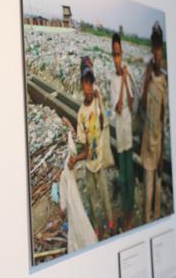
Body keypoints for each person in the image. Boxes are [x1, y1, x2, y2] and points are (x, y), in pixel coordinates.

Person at [68, 56, 114, 238]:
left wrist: (100, 99)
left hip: (100, 163)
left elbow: (104, 122)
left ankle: (110, 223)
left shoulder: (97, 102)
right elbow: (85, 149)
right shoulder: (81, 114)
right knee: (93, 200)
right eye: (86, 83)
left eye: (91, 83)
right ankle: (97, 227)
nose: (89, 87)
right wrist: (76, 159)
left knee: (105, 197)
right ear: (81, 84)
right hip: (89, 165)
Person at [140, 22, 167, 223]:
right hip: (147, 142)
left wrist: (163, 152)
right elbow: (140, 107)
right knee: (148, 186)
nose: (156, 52)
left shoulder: (164, 82)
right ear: (151, 49)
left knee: (156, 185)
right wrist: (146, 80)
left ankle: (156, 220)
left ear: (161, 50)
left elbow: (164, 118)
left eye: (159, 47)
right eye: (154, 47)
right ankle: (148, 221)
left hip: (158, 144)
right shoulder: (148, 76)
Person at [110, 33, 135, 231]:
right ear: (112, 56)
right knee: (124, 175)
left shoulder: (126, 76)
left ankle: (130, 211)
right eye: (115, 54)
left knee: (130, 170)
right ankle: (126, 210)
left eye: (119, 53)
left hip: (128, 128)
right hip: (120, 130)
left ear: (122, 54)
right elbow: (118, 107)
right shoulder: (112, 81)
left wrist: (126, 80)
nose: (117, 58)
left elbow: (131, 102)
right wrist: (121, 80)